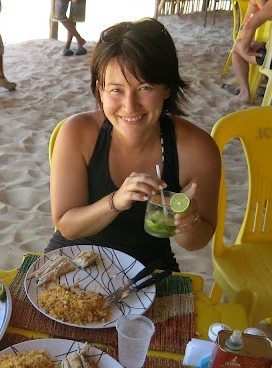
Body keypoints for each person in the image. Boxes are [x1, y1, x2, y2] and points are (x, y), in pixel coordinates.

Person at [45, 18, 221, 271]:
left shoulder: (197, 149)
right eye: (116, 90)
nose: (130, 106)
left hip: (149, 268)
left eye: (145, 87)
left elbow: (196, 243)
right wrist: (116, 201)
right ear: (100, 90)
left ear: (167, 88)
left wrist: (187, 222)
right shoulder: (77, 133)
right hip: (72, 259)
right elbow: (68, 226)